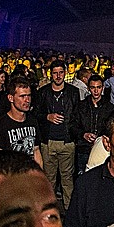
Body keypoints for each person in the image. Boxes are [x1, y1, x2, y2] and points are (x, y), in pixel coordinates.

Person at [35, 59, 79, 208]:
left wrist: (75, 136)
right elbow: (35, 114)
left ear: (65, 73)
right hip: (48, 142)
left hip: (67, 141)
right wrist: (47, 116)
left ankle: (69, 210)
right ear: (50, 74)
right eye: (55, 73)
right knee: (49, 179)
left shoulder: (73, 92)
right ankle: (49, 210)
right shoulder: (43, 92)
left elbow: (76, 115)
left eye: (61, 72)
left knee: (67, 179)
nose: (58, 76)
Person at [0, 76, 43, 166]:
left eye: (29, 95)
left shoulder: (32, 121)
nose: (27, 100)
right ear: (10, 98)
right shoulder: (0, 125)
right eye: (22, 96)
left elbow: (36, 151)